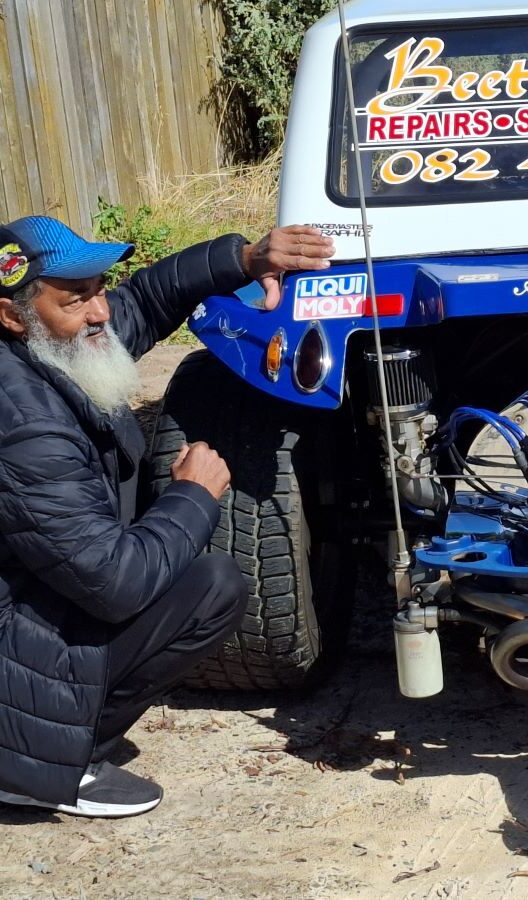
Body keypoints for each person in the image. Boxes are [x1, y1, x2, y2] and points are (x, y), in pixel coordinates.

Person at [0, 215, 333, 818]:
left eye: (98, 288)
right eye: (76, 299)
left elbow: (147, 299)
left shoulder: (48, 344)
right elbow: (116, 585)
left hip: (27, 599)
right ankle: (39, 762)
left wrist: (246, 258)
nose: (100, 312)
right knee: (211, 588)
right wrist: (192, 495)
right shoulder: (27, 430)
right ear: (12, 315)